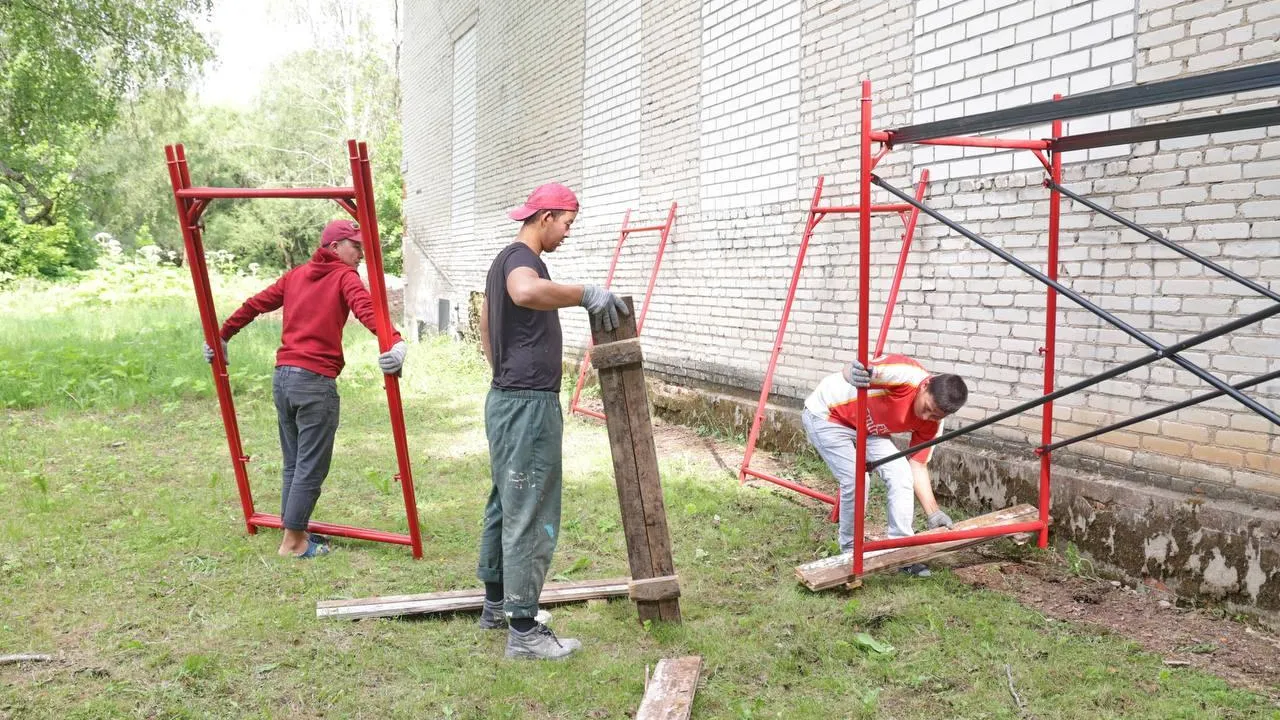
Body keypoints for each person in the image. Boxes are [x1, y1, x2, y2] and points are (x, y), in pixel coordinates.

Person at [475, 182, 628, 661]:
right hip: (527, 404)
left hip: (506, 397)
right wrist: (585, 293)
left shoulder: (502, 258)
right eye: (566, 224)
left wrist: (501, 367)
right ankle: (523, 630)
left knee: (506, 499)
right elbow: (524, 293)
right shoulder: (524, 263)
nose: (566, 233)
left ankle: (496, 606)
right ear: (545, 217)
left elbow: (486, 320)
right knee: (530, 506)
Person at [202, 218, 407, 559]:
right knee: (310, 465)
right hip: (313, 382)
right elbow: (367, 309)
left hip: (283, 378)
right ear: (334, 247)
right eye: (354, 246)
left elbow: (255, 305)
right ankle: (294, 542)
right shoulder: (345, 276)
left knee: (294, 463)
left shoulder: (296, 275)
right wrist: (395, 341)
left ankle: (294, 530)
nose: (360, 253)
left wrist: (223, 334)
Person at [801, 353, 968, 576]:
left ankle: (901, 552)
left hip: (869, 430)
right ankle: (851, 552)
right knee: (857, 479)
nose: (926, 417)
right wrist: (853, 371)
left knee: (901, 473)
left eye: (934, 415)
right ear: (925, 385)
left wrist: (934, 513)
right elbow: (858, 370)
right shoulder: (907, 374)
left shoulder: (933, 424)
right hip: (829, 415)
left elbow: (917, 466)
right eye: (927, 407)